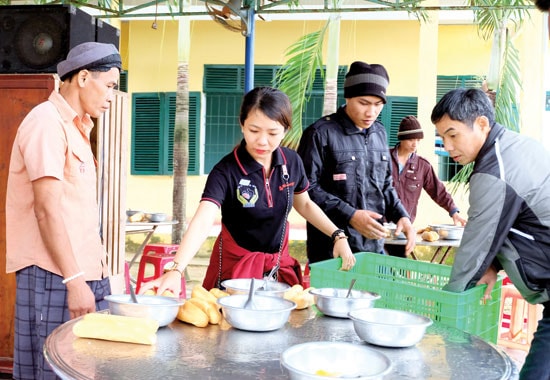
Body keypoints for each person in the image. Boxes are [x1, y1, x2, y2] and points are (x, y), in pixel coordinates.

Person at [141, 87, 355, 296]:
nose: (262, 141)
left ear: (285, 130)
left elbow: (305, 204)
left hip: (275, 271)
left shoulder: (292, 162)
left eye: (273, 133)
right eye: (254, 130)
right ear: (242, 124)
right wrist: (176, 269)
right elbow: (203, 219)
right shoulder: (226, 171)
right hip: (234, 273)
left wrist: (338, 235)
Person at [5, 42, 121, 379]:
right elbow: (46, 210)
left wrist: (95, 277)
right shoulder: (46, 122)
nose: (111, 97)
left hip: (84, 274)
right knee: (51, 370)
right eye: (109, 86)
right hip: (55, 275)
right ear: (84, 77)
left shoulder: (78, 127)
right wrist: (74, 280)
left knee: (81, 370)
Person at [432, 88, 550, 380]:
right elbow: (520, 221)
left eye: (453, 134)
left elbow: (475, 248)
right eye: (442, 137)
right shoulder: (517, 145)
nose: (446, 145)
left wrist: (442, 317)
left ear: (482, 124)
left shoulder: (493, 172)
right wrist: (494, 265)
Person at [297, 61, 415, 265]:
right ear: (348, 97)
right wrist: (350, 215)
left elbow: (385, 184)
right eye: (363, 103)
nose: (371, 112)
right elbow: (307, 190)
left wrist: (401, 216)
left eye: (378, 104)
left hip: (373, 247)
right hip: (330, 250)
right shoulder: (320, 133)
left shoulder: (379, 133)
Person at [385, 115, 467, 257]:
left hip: (404, 231)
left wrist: (454, 212)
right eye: (411, 139)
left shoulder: (423, 166)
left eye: (418, 140)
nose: (415, 144)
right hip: (379, 228)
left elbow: (438, 191)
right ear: (401, 138)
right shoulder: (382, 159)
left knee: (396, 271)